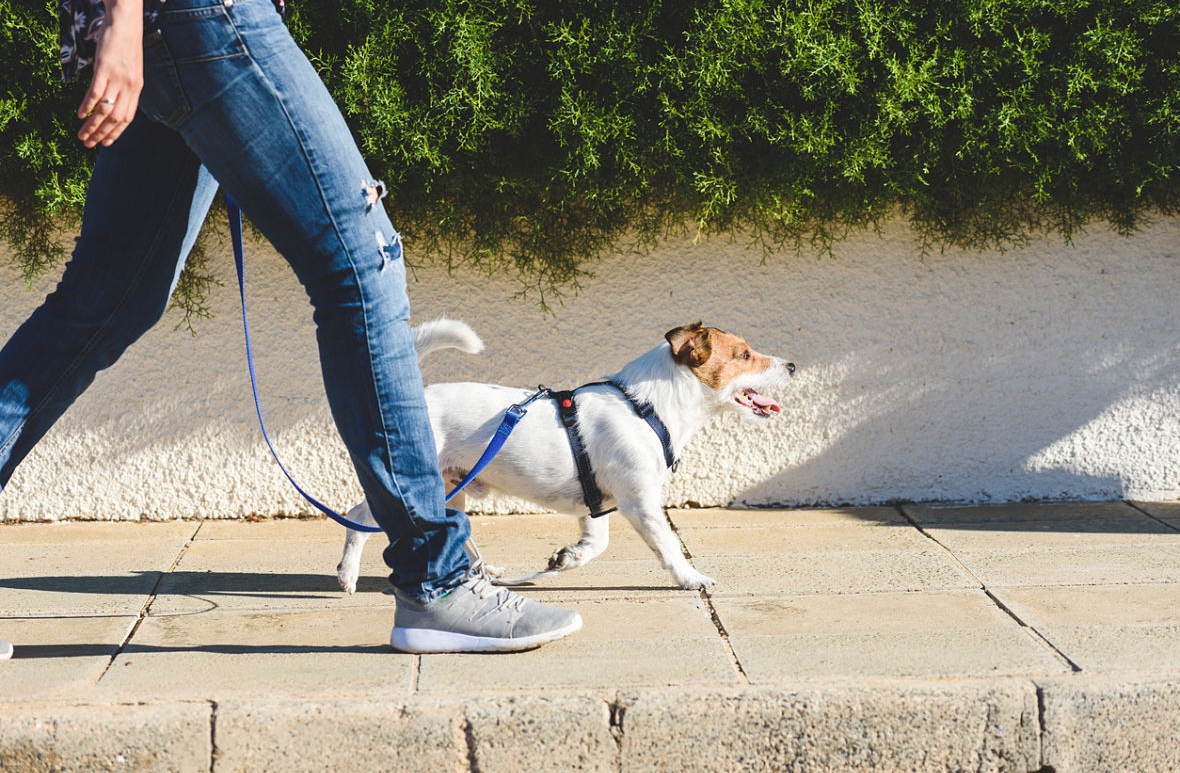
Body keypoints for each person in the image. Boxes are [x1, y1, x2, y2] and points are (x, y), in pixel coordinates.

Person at [0, 0, 582, 660]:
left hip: (175, 29)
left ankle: (437, 577)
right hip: (204, 17)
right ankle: (437, 579)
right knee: (362, 266)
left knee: (107, 300)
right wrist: (126, 18)